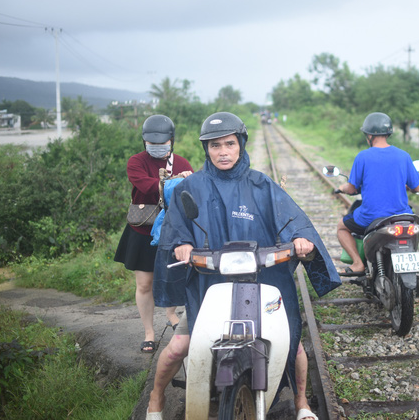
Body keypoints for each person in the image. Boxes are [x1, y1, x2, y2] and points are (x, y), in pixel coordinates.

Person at [146, 112, 341, 420]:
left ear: (241, 145)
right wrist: (182, 244)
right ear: (206, 150)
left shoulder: (262, 186)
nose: (222, 152)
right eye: (214, 146)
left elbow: (292, 218)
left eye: (229, 144)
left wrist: (302, 239)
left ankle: (302, 402)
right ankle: (156, 399)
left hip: (260, 280)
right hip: (208, 284)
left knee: (293, 343)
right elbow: (176, 228)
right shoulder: (191, 187)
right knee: (179, 346)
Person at [114, 114, 193, 353]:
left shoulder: (182, 163)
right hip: (143, 230)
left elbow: (190, 195)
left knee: (175, 277)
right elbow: (146, 185)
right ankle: (149, 332)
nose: (157, 147)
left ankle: (171, 314)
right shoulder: (135, 162)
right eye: (152, 143)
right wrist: (177, 181)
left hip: (173, 230)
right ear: (144, 141)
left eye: (162, 143)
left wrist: (190, 180)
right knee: (145, 283)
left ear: (171, 141)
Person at [336, 112, 419, 276]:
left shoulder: (363, 156)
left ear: (369, 134)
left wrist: (342, 187)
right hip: (402, 216)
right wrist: (405, 186)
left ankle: (357, 263)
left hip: (371, 217)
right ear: (388, 133)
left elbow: (353, 188)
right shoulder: (404, 156)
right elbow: (417, 188)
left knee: (341, 227)